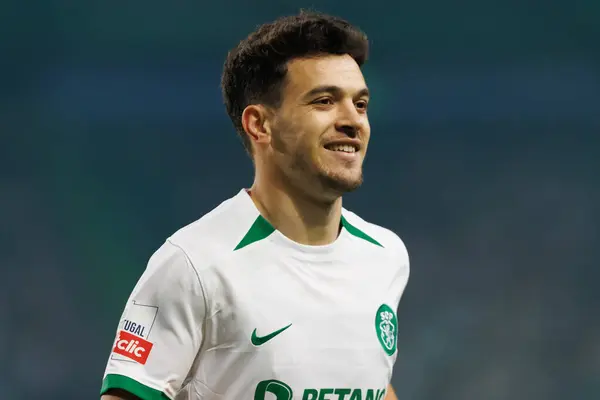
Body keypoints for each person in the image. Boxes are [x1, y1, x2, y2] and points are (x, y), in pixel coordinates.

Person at [100, 10, 409, 400]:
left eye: (360, 104)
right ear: (259, 125)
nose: (353, 121)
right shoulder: (194, 265)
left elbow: (373, 387)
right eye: (325, 101)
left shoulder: (386, 256)